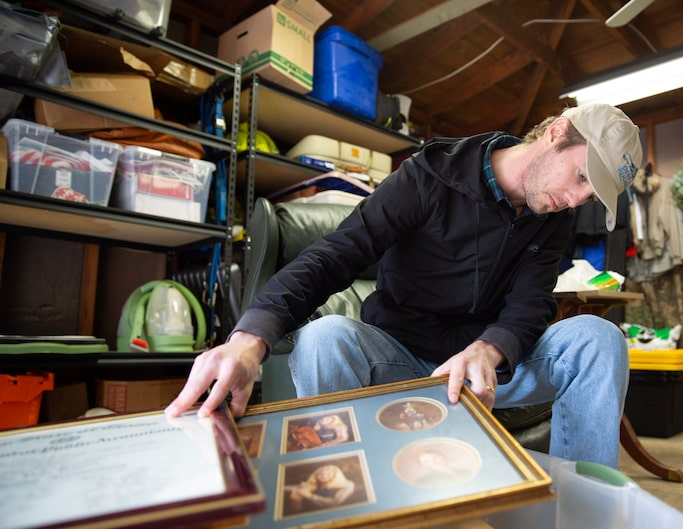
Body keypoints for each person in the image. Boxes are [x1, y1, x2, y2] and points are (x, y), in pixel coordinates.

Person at [165, 103, 642, 468]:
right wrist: (250, 338)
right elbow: (335, 256)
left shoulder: (551, 211)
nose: (576, 200)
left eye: (592, 194)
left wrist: (489, 349)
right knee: (324, 337)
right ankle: (346, 504)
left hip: (487, 378)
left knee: (600, 338)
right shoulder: (428, 176)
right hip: (401, 360)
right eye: (581, 176)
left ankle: (581, 523)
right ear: (557, 132)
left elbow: (532, 302)